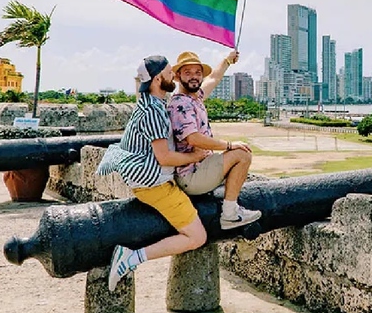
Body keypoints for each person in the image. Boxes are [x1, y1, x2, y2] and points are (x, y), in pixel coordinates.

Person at [96, 55, 208, 292]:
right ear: (158, 78)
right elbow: (164, 157)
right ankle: (131, 258)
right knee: (197, 237)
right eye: (169, 73)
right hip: (155, 187)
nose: (173, 77)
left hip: (147, 181)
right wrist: (195, 157)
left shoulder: (147, 102)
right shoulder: (155, 112)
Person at [168, 50, 261, 230]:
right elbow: (193, 138)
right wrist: (228, 145)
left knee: (238, 153)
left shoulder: (195, 98)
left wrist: (227, 60)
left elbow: (214, 78)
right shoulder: (180, 103)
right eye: (188, 73)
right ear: (178, 77)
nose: (194, 77)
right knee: (242, 154)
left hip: (200, 168)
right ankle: (230, 213)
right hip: (192, 175)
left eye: (197, 73)